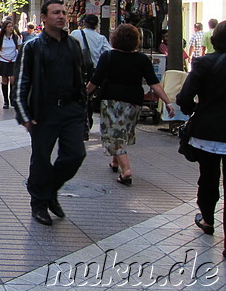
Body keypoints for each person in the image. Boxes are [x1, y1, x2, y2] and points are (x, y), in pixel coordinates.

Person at [12, 0, 87, 226]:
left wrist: (84, 109)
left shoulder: (73, 45)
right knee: (42, 160)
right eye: (56, 13)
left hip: (71, 110)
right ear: (44, 18)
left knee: (76, 155)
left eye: (64, 12)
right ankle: (39, 203)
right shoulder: (32, 47)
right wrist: (24, 115)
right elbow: (21, 83)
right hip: (44, 112)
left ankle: (50, 190)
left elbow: (81, 79)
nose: (61, 16)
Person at [86, 24, 174, 186]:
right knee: (123, 131)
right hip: (134, 101)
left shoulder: (108, 56)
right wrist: (168, 102)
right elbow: (154, 83)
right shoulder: (142, 59)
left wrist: (83, 95)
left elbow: (95, 81)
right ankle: (115, 162)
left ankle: (126, 171)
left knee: (112, 133)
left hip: (112, 100)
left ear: (115, 38)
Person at [176, 20, 226, 255]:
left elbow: (185, 96)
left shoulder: (204, 63)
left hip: (209, 132)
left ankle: (207, 218)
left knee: (209, 178)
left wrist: (191, 109)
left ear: (214, 40)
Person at [0, 20, 21, 109]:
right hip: (3, 61)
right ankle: (6, 101)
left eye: (12, 26)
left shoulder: (16, 38)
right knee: (4, 80)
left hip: (13, 61)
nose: (11, 28)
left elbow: (20, 49)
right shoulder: (0, 39)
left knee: (13, 79)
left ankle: (12, 98)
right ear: (5, 28)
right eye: (8, 27)